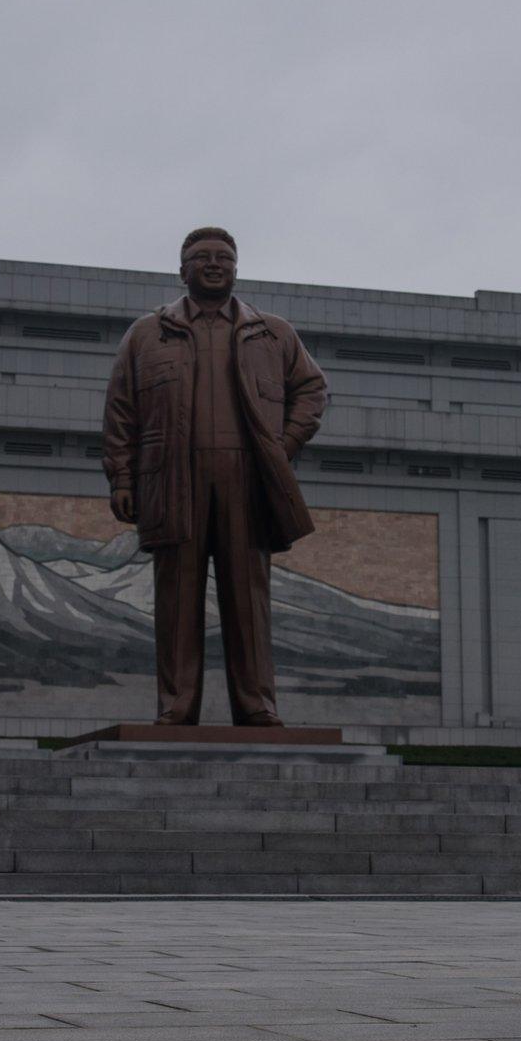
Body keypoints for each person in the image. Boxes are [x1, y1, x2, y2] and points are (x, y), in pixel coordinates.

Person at [100, 228, 327, 727]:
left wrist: (283, 446)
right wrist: (122, 477)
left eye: (224, 257)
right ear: (182, 270)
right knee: (176, 598)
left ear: (237, 267)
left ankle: (257, 705)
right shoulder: (146, 333)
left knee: (248, 598)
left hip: (247, 481)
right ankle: (177, 706)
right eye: (201, 257)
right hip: (172, 480)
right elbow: (121, 411)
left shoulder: (273, 332)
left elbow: (311, 390)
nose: (214, 264)